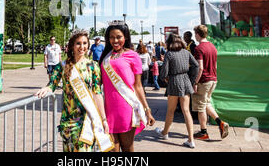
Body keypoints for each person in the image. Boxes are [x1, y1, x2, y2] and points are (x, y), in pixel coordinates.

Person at [36, 31, 113, 152]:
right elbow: (52, 84)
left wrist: (103, 119)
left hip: (87, 120)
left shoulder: (93, 66)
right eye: (78, 43)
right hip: (69, 122)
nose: (82, 47)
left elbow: (97, 93)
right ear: (72, 45)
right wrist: (47, 88)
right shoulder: (62, 66)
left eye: (84, 43)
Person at [99, 21, 155, 152]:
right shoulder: (105, 57)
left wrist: (147, 109)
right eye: (111, 37)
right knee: (111, 149)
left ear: (125, 37)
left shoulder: (132, 55)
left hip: (126, 108)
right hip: (107, 110)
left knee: (127, 148)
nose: (115, 40)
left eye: (119, 37)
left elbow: (138, 86)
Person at [154, 34, 199, 148]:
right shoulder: (186, 52)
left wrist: (165, 79)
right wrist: (192, 79)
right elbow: (196, 66)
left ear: (169, 43)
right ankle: (191, 140)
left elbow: (163, 73)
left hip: (174, 81)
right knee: (186, 111)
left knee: (170, 110)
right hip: (185, 80)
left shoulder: (169, 54)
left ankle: (165, 133)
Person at [192, 25, 229, 140]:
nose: (195, 36)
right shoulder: (213, 47)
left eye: (195, 34)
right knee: (206, 103)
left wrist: (195, 82)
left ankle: (203, 132)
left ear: (198, 34)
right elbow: (215, 65)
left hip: (204, 80)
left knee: (201, 108)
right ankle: (220, 123)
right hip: (213, 79)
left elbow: (200, 68)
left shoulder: (199, 49)